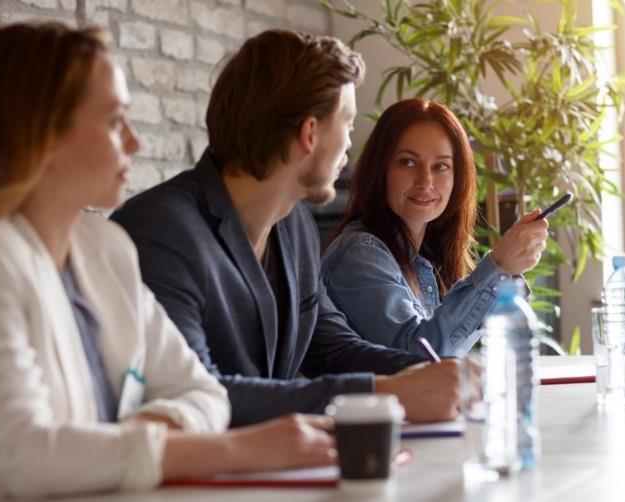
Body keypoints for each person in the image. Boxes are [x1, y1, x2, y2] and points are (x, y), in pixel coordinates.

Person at [0, 23, 336, 502]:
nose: (134, 142)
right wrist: (242, 449)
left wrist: (148, 427)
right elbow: (25, 454)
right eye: (113, 121)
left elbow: (205, 393)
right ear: (44, 135)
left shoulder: (107, 249)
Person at [111, 29, 461, 428]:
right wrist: (384, 393)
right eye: (346, 123)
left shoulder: (295, 226)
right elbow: (198, 393)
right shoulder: (160, 230)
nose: (350, 145)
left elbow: (333, 349)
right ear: (309, 134)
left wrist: (439, 371)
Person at [321, 99, 549, 357]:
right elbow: (421, 357)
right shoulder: (359, 253)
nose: (425, 181)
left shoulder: (425, 260)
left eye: (440, 166)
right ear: (380, 169)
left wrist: (507, 272)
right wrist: (499, 267)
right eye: (408, 162)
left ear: (458, 178)